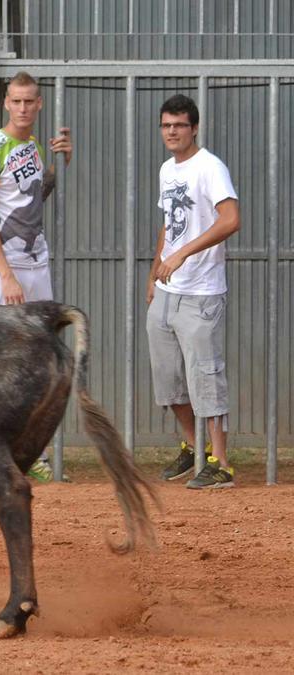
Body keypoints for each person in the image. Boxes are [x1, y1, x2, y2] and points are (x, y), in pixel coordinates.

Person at [0, 70, 72, 482]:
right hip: (0, 269)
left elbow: (30, 200)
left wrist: (61, 164)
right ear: (5, 103)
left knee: (39, 358)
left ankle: (34, 455)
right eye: (17, 101)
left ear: (39, 103)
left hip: (36, 261)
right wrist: (7, 275)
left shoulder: (31, 146)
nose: (24, 108)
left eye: (30, 101)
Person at [148, 94, 240, 490]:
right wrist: (155, 273)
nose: (172, 131)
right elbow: (169, 223)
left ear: (194, 128)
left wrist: (184, 254)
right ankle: (193, 446)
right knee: (168, 381)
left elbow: (231, 219)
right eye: (166, 125)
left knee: (206, 379)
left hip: (201, 293)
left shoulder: (210, 167)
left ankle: (221, 463)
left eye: (180, 125)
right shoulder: (168, 169)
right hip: (167, 290)